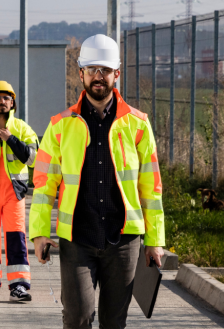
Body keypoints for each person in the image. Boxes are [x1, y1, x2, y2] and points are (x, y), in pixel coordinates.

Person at [30, 34, 165, 329]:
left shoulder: (138, 124)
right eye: (92, 69)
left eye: (105, 70)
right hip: (77, 239)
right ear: (81, 74)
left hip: (123, 241)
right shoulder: (60, 125)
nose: (98, 76)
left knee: (114, 323)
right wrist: (39, 232)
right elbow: (43, 185)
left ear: (117, 73)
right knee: (77, 318)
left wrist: (155, 241)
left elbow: (151, 188)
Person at [0, 81, 39, 302]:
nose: (2, 101)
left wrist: (11, 139)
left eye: (6, 98)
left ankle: (18, 285)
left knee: (16, 239)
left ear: (13, 103)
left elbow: (33, 159)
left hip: (14, 193)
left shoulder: (22, 128)